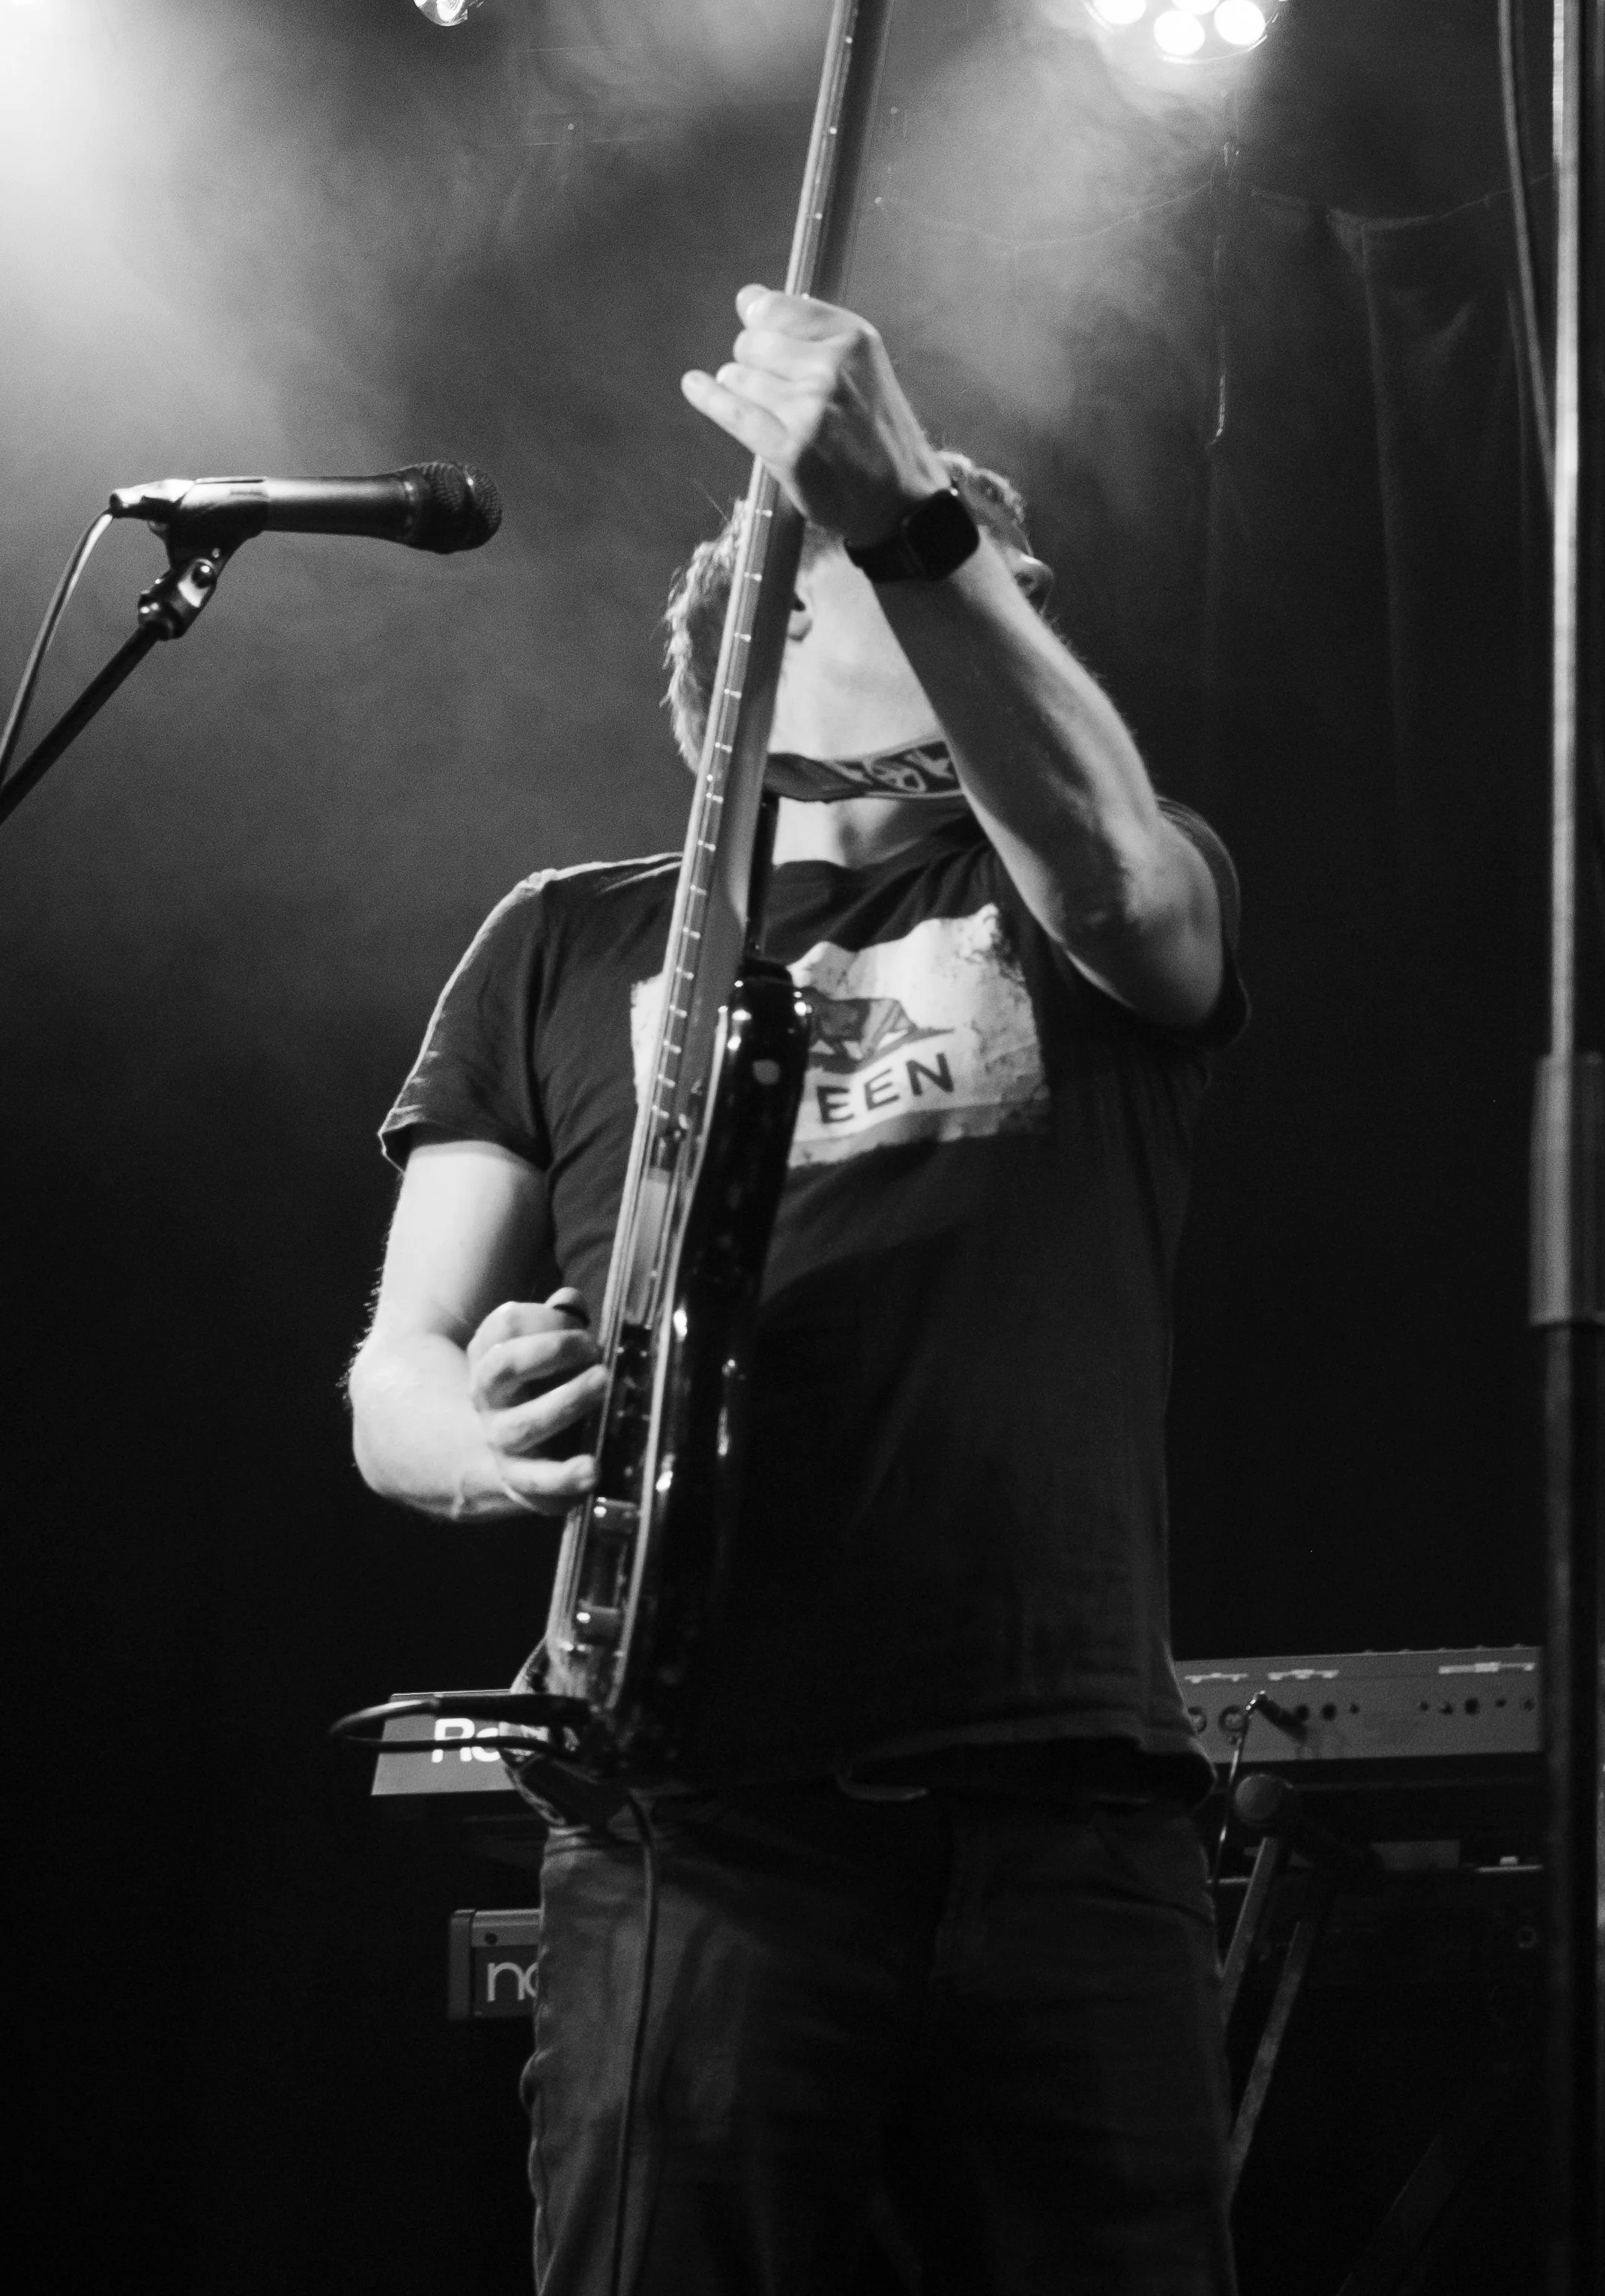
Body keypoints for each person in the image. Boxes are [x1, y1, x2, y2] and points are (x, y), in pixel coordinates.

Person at [349, 287, 1248, 2295]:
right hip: (696, 1815)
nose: (999, 626)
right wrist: (467, 1434)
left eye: (1007, 600)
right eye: (928, 582)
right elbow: (395, 1367)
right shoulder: (564, 938)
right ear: (754, 637)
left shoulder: (1077, 876)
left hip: (1063, 1806)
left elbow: (1117, 875)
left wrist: (904, 511)